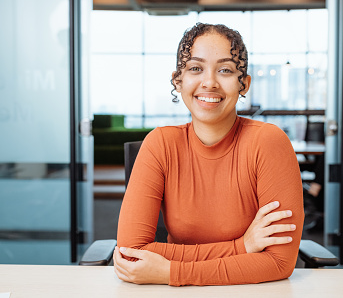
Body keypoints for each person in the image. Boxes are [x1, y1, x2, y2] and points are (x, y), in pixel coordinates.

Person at [113, 23, 304, 286]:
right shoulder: (160, 144)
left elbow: (279, 262)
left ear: (243, 84)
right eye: (195, 68)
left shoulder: (269, 142)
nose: (210, 82)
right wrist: (243, 247)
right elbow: (131, 254)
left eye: (225, 70)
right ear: (178, 81)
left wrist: (172, 272)